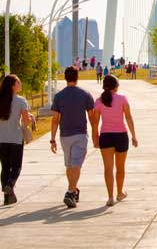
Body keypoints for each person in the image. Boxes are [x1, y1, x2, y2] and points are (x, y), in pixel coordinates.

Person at [0, 74, 31, 205]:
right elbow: (26, 122)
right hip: (15, 138)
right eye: (19, 83)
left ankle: (7, 197)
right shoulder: (21, 101)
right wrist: (30, 119)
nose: (20, 84)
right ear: (13, 86)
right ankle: (9, 184)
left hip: (0, 139)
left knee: (5, 167)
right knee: (16, 167)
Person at [50, 66, 95, 208]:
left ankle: (74, 190)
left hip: (65, 136)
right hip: (80, 134)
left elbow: (55, 119)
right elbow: (92, 116)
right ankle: (70, 192)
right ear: (77, 77)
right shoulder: (85, 94)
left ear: (65, 78)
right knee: (75, 164)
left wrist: (52, 138)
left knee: (69, 165)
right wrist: (95, 133)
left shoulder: (59, 96)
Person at [92, 75, 138, 206]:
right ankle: (120, 193)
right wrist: (134, 135)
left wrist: (95, 138)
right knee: (120, 167)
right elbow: (128, 118)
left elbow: (95, 122)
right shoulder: (122, 99)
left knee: (108, 168)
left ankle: (110, 197)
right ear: (116, 86)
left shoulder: (99, 101)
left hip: (106, 137)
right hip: (121, 136)